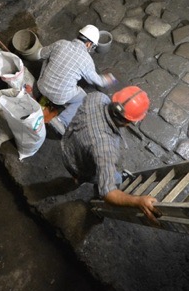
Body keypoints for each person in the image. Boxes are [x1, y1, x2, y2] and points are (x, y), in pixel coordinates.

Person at [61, 86, 160, 224]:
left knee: (82, 169)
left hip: (67, 147)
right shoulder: (106, 148)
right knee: (116, 179)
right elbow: (109, 193)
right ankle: (87, 188)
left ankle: (76, 178)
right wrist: (138, 201)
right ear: (128, 122)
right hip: (81, 166)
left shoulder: (96, 97)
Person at [35, 24, 115, 135]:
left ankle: (46, 92)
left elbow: (40, 53)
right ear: (88, 44)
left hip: (41, 85)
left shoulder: (61, 43)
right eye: (92, 47)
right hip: (59, 98)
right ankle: (61, 121)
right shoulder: (87, 61)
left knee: (47, 59)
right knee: (83, 98)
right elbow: (98, 81)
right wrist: (109, 79)